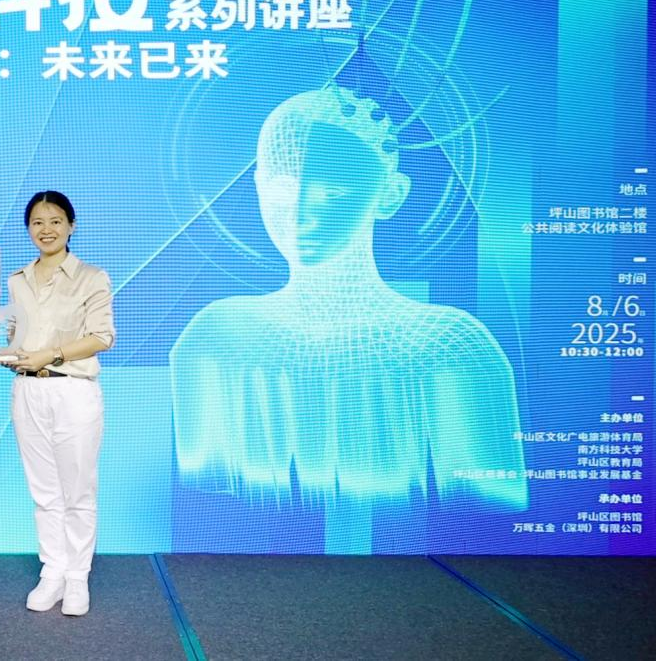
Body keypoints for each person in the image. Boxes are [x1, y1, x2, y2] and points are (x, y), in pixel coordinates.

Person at [170, 87, 525, 554]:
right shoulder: (218, 337)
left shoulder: (449, 346)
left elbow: (491, 510)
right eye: (283, 190)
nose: (301, 215)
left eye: (333, 193)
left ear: (390, 195)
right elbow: (205, 504)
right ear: (258, 188)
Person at [3, 191, 114, 617]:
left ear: (71, 226)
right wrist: (6, 352)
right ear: (28, 229)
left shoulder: (92, 277)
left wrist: (49, 354)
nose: (45, 229)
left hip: (73, 390)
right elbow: (13, 335)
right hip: (28, 391)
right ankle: (52, 572)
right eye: (37, 222)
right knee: (44, 491)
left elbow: (101, 336)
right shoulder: (17, 280)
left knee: (78, 491)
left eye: (54, 221)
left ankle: (77, 577)